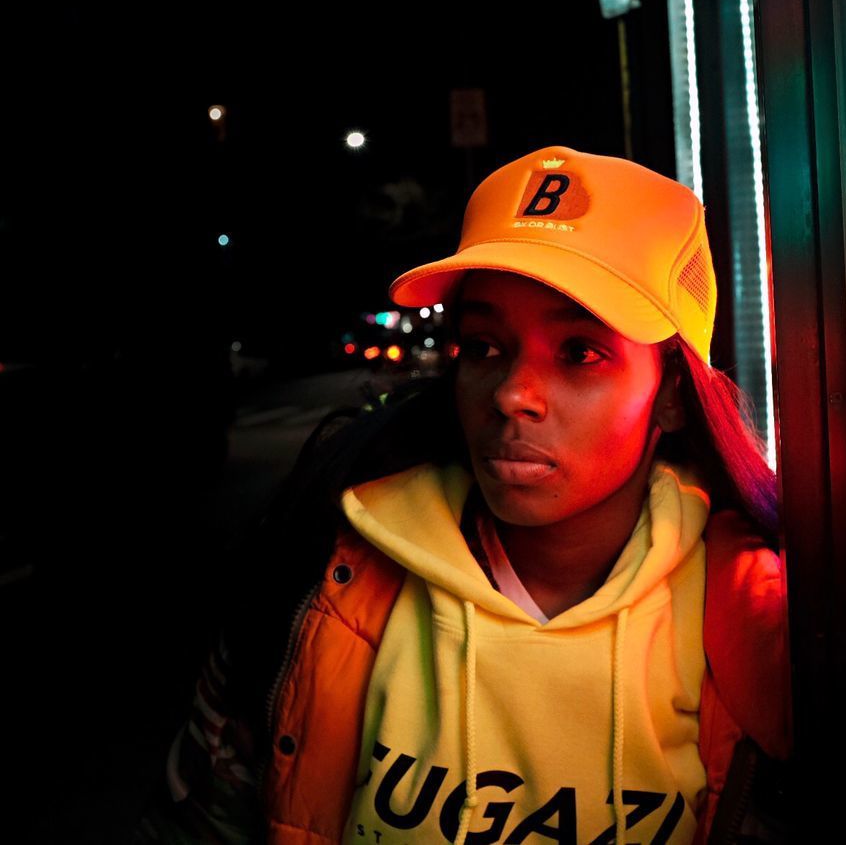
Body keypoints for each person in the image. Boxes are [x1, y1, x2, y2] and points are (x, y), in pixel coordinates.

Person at [133, 145, 790, 844]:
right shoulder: (319, 576)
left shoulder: (762, 636)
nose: (511, 394)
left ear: (673, 396)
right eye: (483, 345)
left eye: (580, 353)